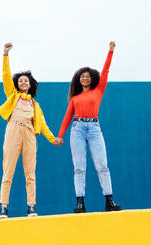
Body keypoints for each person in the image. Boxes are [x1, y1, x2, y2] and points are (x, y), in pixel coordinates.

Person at [54, 41, 121, 213]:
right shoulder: (75, 98)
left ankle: (109, 200)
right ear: (78, 80)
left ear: (92, 78)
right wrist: (60, 135)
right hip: (77, 129)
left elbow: (105, 71)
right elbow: (68, 116)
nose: (85, 78)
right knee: (79, 166)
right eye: (82, 76)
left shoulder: (98, 90)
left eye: (87, 75)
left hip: (94, 128)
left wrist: (110, 51)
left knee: (102, 164)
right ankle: (80, 202)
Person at [0, 43, 57, 219]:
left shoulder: (35, 105)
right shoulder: (13, 96)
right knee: (8, 170)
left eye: (26, 80)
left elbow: (43, 125)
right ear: (17, 84)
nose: (23, 82)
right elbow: (6, 77)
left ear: (31, 85)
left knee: (30, 172)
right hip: (13, 131)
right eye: (21, 80)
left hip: (30, 135)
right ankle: (3, 206)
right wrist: (5, 55)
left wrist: (53, 139)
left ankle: (31, 206)